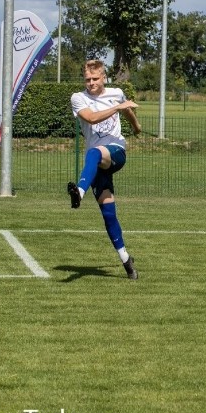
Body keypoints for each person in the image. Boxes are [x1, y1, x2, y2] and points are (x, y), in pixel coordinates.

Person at [67, 60, 143, 280]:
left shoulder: (116, 93)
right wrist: (118, 108)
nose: (91, 83)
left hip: (115, 152)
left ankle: (78, 193)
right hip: (97, 166)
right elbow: (91, 118)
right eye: (87, 79)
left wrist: (136, 127)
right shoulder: (78, 98)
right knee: (108, 213)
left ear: (104, 78)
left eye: (95, 79)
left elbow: (127, 110)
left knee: (94, 153)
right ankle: (127, 261)